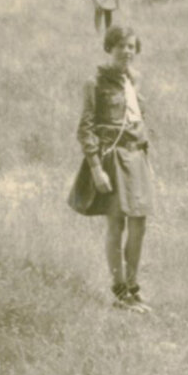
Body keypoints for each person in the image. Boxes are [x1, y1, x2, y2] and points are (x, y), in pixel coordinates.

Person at [69, 26, 154, 311]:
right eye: (120, 46)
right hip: (112, 158)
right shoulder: (94, 83)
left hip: (136, 156)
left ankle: (133, 285)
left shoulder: (135, 79)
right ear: (109, 48)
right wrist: (96, 169)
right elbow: (85, 129)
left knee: (139, 223)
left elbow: (138, 118)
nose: (126, 52)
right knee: (116, 223)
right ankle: (120, 291)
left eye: (131, 46)